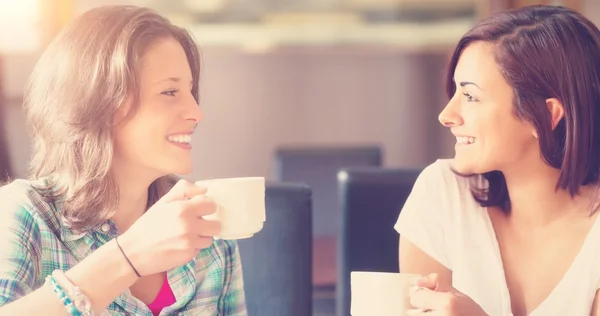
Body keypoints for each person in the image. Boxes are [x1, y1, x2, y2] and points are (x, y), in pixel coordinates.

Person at [0, 5, 246, 315]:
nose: (196, 112)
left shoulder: (209, 235)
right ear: (98, 102)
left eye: (191, 90)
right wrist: (129, 256)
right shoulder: (25, 218)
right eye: (170, 91)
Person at [396, 5, 600, 316]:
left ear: (545, 116)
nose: (446, 116)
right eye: (455, 92)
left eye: (470, 96)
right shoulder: (442, 196)